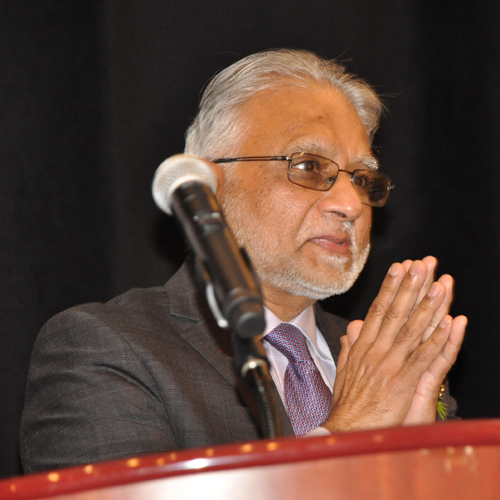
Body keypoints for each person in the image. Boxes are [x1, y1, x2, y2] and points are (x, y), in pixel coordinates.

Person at [20, 49, 467, 473]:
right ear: (210, 184)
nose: (350, 204)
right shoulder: (106, 349)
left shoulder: (384, 363)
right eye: (310, 166)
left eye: (362, 177)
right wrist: (351, 433)